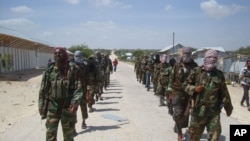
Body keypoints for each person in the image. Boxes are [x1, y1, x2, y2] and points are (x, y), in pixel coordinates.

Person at [184, 49, 233, 141]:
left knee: (214, 137)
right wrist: (195, 88)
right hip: (198, 112)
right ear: (205, 58)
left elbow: (224, 93)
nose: (212, 59)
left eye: (214, 57)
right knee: (194, 137)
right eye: (210, 57)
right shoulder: (196, 71)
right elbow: (185, 85)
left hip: (213, 113)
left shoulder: (219, 74)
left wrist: (228, 108)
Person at [38, 47, 84, 141]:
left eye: (60, 53)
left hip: (67, 108)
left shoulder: (72, 69)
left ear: (65, 54)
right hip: (53, 108)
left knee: (68, 137)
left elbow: (78, 88)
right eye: (55, 53)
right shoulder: (49, 70)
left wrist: (75, 102)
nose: (57, 55)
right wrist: (42, 106)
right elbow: (43, 90)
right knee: (50, 136)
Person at [167, 47, 198, 141]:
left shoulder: (195, 66)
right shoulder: (177, 65)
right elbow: (171, 79)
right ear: (181, 55)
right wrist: (169, 93)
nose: (186, 56)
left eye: (188, 54)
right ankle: (179, 133)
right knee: (178, 113)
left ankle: (182, 128)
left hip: (189, 94)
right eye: (185, 54)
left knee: (186, 115)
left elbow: (197, 81)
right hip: (177, 92)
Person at [73, 51, 89, 130]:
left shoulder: (84, 66)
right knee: (74, 108)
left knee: (83, 107)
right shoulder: (71, 66)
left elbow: (87, 78)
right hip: (74, 91)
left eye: (78, 56)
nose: (77, 58)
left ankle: (83, 122)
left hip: (83, 89)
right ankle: (74, 126)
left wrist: (87, 90)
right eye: (76, 56)